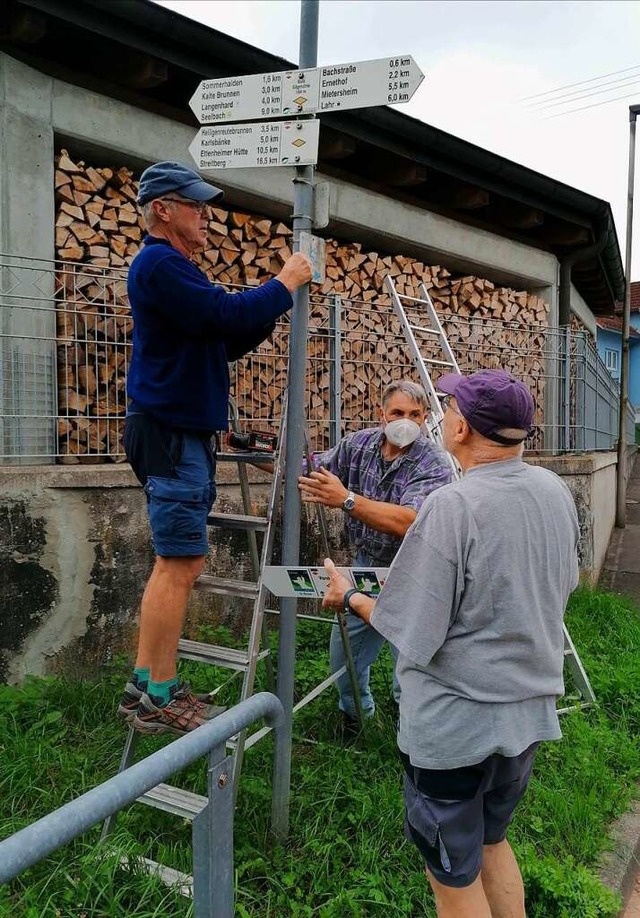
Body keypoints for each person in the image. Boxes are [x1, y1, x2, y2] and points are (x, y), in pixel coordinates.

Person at [322, 368, 580, 918]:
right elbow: (561, 584)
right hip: (526, 717)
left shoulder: (452, 505)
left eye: (444, 409)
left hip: (456, 730)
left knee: (452, 880)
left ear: (461, 426)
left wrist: (349, 597)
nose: (438, 419)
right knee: (492, 843)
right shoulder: (553, 491)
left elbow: (410, 629)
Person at [117, 161, 311, 735]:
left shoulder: (177, 272)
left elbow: (222, 335)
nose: (207, 215)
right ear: (163, 210)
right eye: (195, 204)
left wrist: (267, 306)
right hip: (173, 435)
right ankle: (160, 692)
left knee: (172, 562)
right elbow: (223, 316)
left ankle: (144, 683)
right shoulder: (161, 263)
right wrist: (283, 283)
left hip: (176, 433)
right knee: (181, 562)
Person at [298, 380, 453, 729]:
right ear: (382, 415)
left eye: (415, 414)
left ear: (426, 417)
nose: (406, 421)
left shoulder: (433, 462)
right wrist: (264, 454)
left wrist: (346, 499)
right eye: (398, 413)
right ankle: (355, 716)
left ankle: (411, 730)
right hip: (367, 566)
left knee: (412, 658)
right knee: (346, 654)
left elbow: (409, 521)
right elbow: (311, 469)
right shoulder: (360, 444)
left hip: (416, 568)